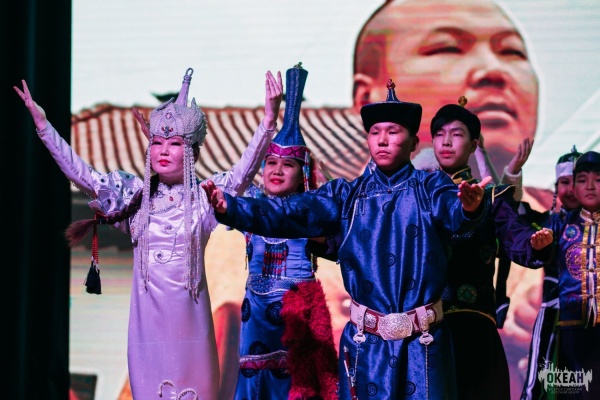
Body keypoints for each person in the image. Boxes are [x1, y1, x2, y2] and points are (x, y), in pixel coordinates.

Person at [202, 77, 500, 399]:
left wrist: (469, 207)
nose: (382, 140)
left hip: (423, 345)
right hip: (366, 345)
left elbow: (454, 211)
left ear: (414, 142)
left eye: (393, 132)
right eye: (375, 133)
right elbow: (289, 211)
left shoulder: (431, 188)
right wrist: (230, 207)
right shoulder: (347, 195)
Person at [13, 67, 283, 399]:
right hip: (147, 335)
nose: (164, 150)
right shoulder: (134, 200)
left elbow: (243, 172)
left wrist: (268, 120)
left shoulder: (203, 200)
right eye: (157, 142)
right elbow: (85, 176)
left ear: (192, 152)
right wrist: (44, 127)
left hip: (192, 335)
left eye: (174, 143)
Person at [429, 98, 552, 400]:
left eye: (456, 134)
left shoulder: (492, 197)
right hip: (424, 329)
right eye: (440, 134)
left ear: (473, 145)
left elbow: (515, 236)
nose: (446, 142)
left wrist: (534, 245)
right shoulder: (416, 194)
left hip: (473, 327)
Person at [228, 64, 338, 400]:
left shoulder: (312, 212)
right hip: (255, 318)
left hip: (297, 318)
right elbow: (236, 180)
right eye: (271, 163)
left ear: (302, 174)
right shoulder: (251, 206)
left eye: (287, 164)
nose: (276, 170)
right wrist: (269, 116)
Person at [352, 0, 539, 178]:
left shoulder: (547, 199)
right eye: (448, 48)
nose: (493, 71)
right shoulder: (348, 196)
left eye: (512, 51)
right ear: (368, 99)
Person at [531, 150, 600, 399]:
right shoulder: (559, 224)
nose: (589, 186)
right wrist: (541, 245)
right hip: (569, 328)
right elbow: (536, 250)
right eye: (581, 180)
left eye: (598, 180)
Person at [520, 146, 582, 400]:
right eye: (565, 182)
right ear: (556, 187)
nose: (571, 189)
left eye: (577, 181)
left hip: (591, 317)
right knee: (537, 386)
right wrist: (513, 171)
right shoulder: (547, 224)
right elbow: (510, 209)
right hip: (552, 314)